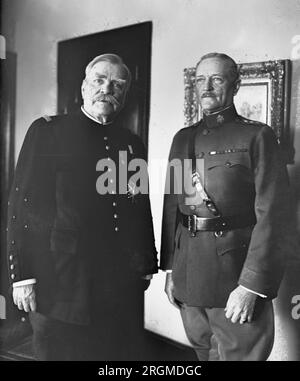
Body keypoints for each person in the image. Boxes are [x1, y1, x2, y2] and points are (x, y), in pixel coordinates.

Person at [6, 53, 158, 360]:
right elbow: (23, 205)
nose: (107, 89)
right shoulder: (48, 131)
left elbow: (139, 206)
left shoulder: (131, 143)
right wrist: (22, 275)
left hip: (116, 280)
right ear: (84, 88)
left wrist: (145, 260)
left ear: (125, 94)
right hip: (60, 279)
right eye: (99, 80)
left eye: (118, 84)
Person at [160, 52, 295, 361]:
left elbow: (274, 216)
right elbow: (174, 208)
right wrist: (171, 269)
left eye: (216, 79)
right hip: (189, 275)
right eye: (200, 80)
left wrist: (252, 286)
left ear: (235, 86)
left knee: (241, 355)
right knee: (203, 352)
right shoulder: (184, 139)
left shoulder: (257, 136)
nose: (206, 87)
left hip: (235, 276)